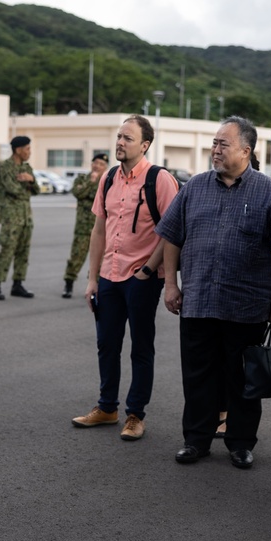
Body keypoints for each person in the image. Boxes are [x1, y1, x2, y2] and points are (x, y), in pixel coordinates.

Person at [159, 115, 271, 469]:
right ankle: (196, 440)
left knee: (243, 378)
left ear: (246, 151)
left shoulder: (269, 192)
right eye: (214, 143)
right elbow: (172, 237)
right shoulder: (195, 187)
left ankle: (241, 442)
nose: (215, 150)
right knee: (198, 375)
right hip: (198, 300)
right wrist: (171, 283)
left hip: (246, 304)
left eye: (223, 144)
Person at [71, 115, 178, 440]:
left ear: (145, 145)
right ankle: (107, 407)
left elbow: (172, 232)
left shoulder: (160, 180)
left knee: (141, 347)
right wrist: (92, 280)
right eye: (119, 137)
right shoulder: (108, 178)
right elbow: (99, 230)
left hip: (141, 278)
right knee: (107, 345)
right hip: (109, 276)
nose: (120, 142)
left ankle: (135, 414)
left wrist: (149, 270)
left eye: (127, 138)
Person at [0, 135, 38, 300]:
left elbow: (37, 190)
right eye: (27, 149)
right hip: (11, 217)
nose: (29, 152)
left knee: (23, 252)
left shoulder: (27, 168)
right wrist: (27, 185)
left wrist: (30, 179)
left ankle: (17, 284)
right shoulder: (5, 167)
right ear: (18, 150)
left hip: (26, 217)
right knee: (7, 250)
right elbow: (13, 189)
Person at [62, 153, 109, 298]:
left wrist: (93, 185)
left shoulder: (108, 182)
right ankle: (69, 283)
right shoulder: (82, 178)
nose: (97, 166)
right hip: (83, 227)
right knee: (76, 256)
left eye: (101, 164)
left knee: (100, 260)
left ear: (105, 167)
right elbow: (77, 193)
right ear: (91, 164)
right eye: (95, 163)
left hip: (101, 228)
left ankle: (97, 287)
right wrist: (90, 182)